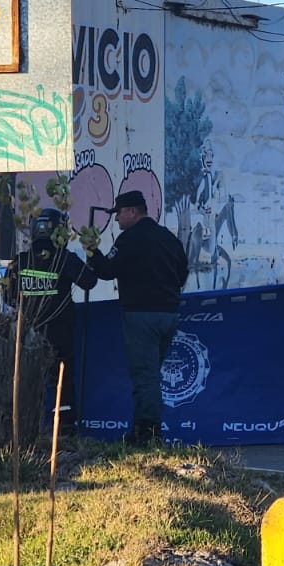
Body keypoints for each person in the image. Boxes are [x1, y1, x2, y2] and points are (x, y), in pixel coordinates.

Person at [83, 190, 189, 445]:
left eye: (118, 213)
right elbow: (183, 272)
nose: (117, 219)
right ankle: (141, 428)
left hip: (141, 315)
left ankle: (149, 432)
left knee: (145, 376)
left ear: (132, 211)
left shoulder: (129, 239)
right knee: (150, 374)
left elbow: (107, 271)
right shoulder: (167, 238)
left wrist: (92, 252)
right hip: (169, 314)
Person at [12, 208, 97, 427]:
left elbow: (8, 296)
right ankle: (65, 425)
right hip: (60, 330)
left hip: (28, 330)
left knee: (28, 377)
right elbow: (89, 281)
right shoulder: (64, 259)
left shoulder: (20, 262)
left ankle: (26, 425)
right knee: (62, 378)